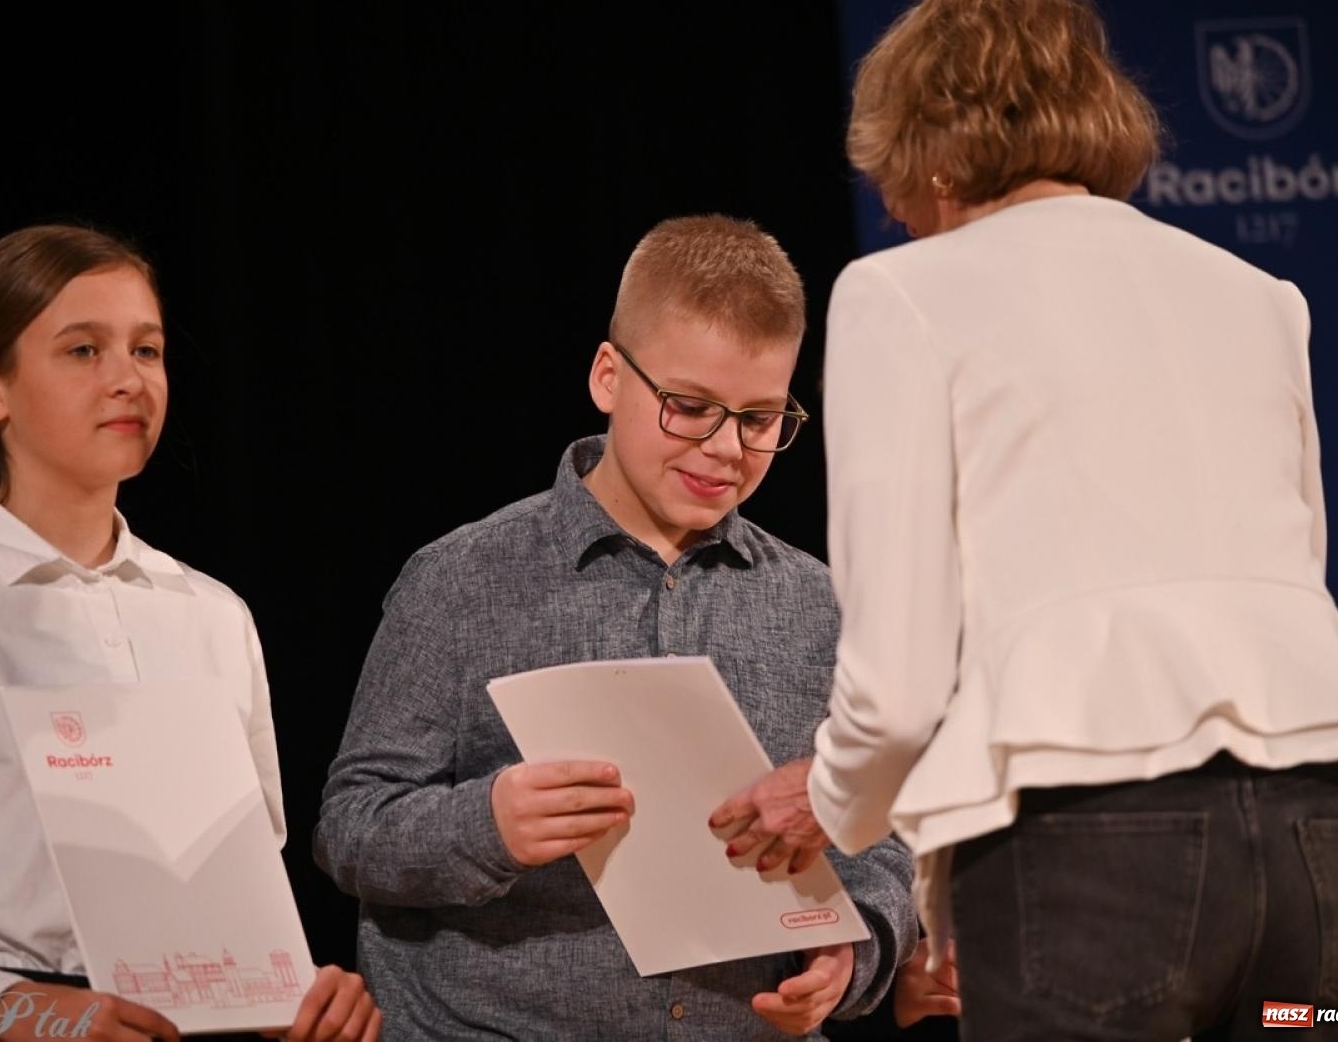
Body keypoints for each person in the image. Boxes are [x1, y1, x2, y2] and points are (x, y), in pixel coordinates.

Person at [709, 0, 1338, 1040]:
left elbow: (898, 688)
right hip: (1333, 829)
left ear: (929, 147)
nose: (895, 208)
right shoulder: (1258, 296)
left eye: (894, 177)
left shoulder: (897, 291)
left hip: (1095, 848)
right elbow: (1295, 579)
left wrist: (830, 800)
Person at [313, 214, 949, 1040]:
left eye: (761, 420)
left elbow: (879, 838)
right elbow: (354, 825)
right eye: (689, 407)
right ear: (609, 376)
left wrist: (851, 955)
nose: (726, 448)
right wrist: (490, 822)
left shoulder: (820, 602)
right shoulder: (463, 578)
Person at [0, 224, 382, 1042]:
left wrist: (296, 994)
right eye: (84, 351)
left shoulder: (212, 614)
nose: (128, 379)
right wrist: (18, 1011)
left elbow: (244, 889)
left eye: (148, 351)